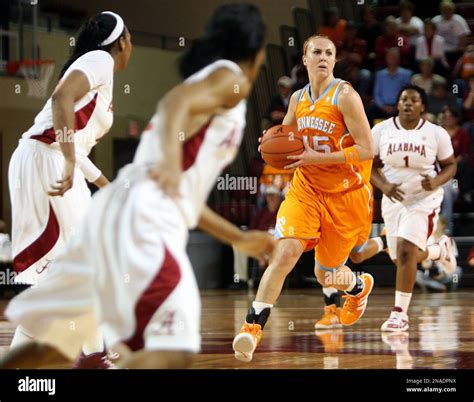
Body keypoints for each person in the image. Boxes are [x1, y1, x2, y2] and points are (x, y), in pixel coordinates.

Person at [0, 3, 273, 369]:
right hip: (65, 170)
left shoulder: (208, 90)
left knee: (66, 300)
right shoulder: (224, 77)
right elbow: (174, 102)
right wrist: (69, 159)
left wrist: (238, 238)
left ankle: (46, 365)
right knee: (157, 339)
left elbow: (183, 198)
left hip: (99, 189)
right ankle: (95, 356)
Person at [232, 35, 376, 363]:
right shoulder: (297, 98)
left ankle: (357, 287)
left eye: (329, 53)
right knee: (284, 253)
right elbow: (288, 137)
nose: (323, 57)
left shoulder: (346, 97)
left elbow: (368, 149)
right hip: (306, 190)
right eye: (317, 52)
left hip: (345, 196)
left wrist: (314, 157)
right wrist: (272, 140)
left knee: (327, 275)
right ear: (305, 58)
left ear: (334, 60)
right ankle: (252, 327)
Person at [7, 11, 132, 368]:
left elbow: (76, 143)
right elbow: (62, 101)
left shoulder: (94, 66)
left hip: (45, 158)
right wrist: (65, 158)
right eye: (131, 41)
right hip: (46, 159)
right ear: (122, 42)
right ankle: (93, 358)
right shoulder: (99, 60)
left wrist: (103, 184)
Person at [371, 85, 457, 332]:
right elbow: (368, 165)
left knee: (407, 252)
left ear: (423, 107)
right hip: (394, 199)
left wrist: (437, 181)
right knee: (400, 259)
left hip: (423, 199)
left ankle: (399, 314)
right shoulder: (381, 130)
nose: (408, 103)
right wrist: (384, 185)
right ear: (397, 104)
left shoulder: (436, 133)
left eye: (414, 100)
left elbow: (450, 166)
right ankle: (437, 251)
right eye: (404, 99)